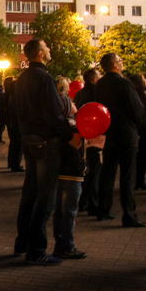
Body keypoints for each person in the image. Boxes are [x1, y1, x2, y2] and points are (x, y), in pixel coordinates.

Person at [13, 39, 78, 266]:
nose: (50, 49)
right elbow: (53, 114)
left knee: (29, 193)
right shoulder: (45, 78)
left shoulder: (22, 78)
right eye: (47, 47)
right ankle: (37, 249)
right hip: (45, 142)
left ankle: (22, 242)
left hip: (28, 140)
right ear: (41, 54)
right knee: (45, 198)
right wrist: (71, 136)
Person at [94, 53, 146, 227]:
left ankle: (103, 209)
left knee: (107, 173)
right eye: (120, 61)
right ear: (115, 65)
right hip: (126, 134)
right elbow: (136, 109)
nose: (122, 63)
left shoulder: (100, 84)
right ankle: (129, 214)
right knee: (127, 177)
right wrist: (141, 126)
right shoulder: (125, 83)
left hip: (108, 134)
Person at [52, 78, 87, 260]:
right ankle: (65, 245)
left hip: (61, 171)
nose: (75, 105)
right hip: (70, 173)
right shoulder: (70, 127)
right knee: (68, 210)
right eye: (71, 103)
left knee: (61, 209)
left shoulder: (60, 126)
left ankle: (61, 243)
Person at [74, 69, 102, 215]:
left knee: (87, 169)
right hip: (96, 135)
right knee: (95, 170)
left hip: (83, 133)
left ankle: (84, 200)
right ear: (95, 79)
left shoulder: (80, 93)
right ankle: (93, 203)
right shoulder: (98, 93)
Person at [129, 73, 146, 191]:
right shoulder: (142, 94)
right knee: (143, 156)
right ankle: (140, 180)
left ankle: (138, 179)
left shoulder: (133, 93)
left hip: (138, 128)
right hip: (143, 129)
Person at [3, 77, 23, 172]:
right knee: (17, 144)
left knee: (14, 143)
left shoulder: (10, 96)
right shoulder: (15, 97)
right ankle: (15, 165)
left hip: (12, 123)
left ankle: (12, 162)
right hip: (16, 124)